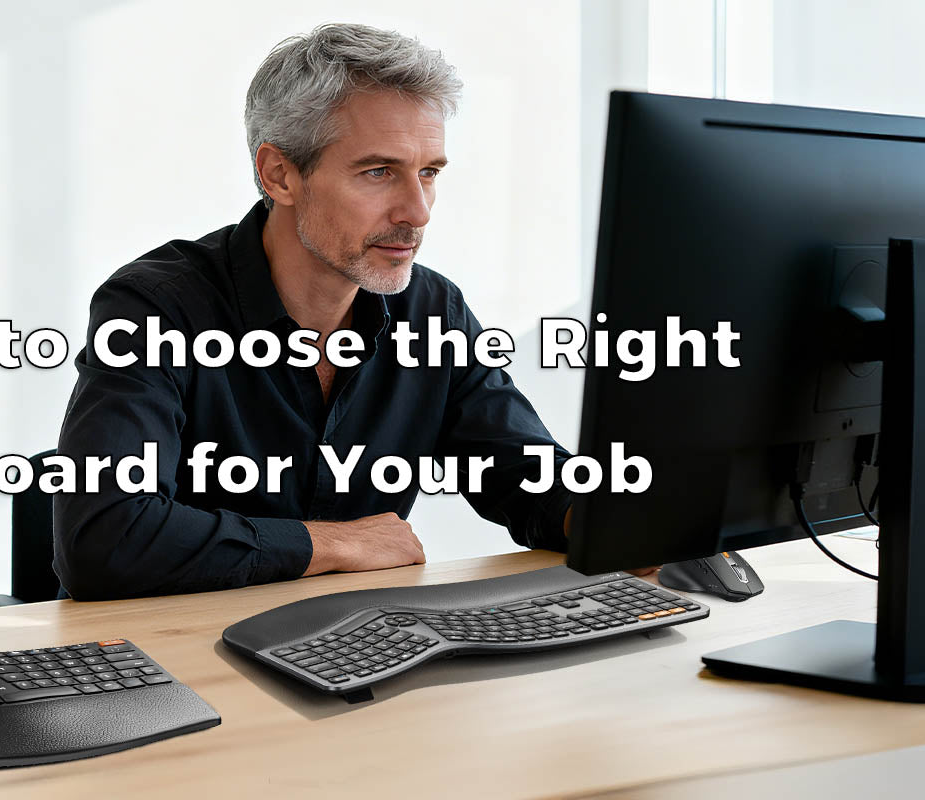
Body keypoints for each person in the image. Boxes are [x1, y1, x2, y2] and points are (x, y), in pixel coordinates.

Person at [54, 23, 573, 601]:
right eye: (378, 172)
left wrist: (630, 513)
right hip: (185, 661)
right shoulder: (157, 307)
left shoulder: (433, 311)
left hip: (354, 651)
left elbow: (532, 484)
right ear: (280, 174)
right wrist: (335, 544)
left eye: (428, 172)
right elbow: (105, 540)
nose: (418, 211)